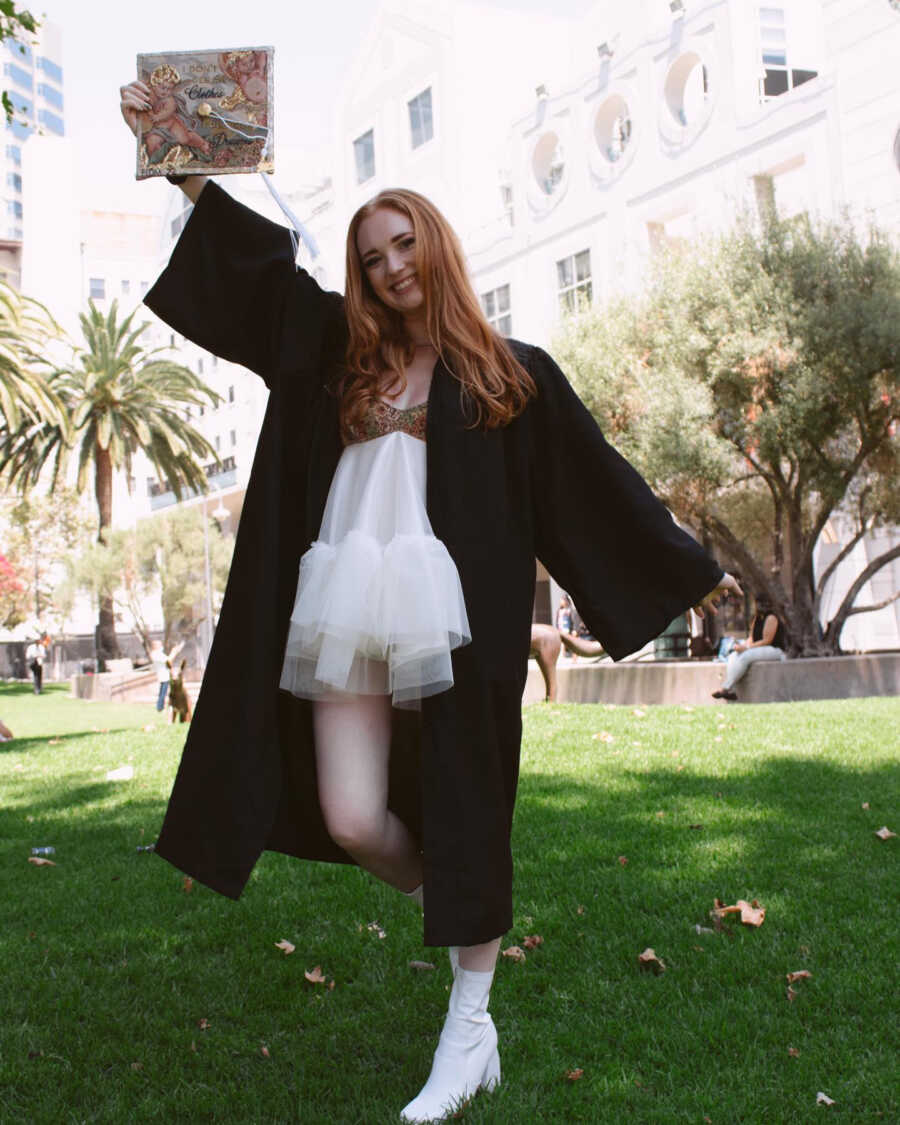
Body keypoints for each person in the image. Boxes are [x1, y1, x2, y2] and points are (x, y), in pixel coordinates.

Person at [120, 79, 740, 1123]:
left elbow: (592, 488)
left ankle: (469, 1026)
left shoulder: (508, 376)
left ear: (437, 248)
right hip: (338, 612)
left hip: (456, 623)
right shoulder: (334, 355)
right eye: (371, 256)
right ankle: (461, 914)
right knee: (355, 817)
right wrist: (188, 161)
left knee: (464, 797)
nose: (389, 267)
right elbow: (260, 285)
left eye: (403, 245)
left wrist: (674, 566)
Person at [712, 595, 787, 701]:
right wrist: (742, 646)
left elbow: (767, 640)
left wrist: (747, 647)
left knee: (747, 656)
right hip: (757, 648)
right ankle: (730, 690)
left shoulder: (771, 618)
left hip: (774, 650)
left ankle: (725, 688)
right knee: (733, 656)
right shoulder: (756, 619)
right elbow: (751, 638)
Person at [150, 638, 185, 712]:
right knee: (163, 693)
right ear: (155, 646)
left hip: (164, 675)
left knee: (162, 692)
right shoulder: (156, 654)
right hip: (164, 676)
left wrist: (174, 652)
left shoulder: (157, 654)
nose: (161, 645)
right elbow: (169, 661)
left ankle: (160, 707)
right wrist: (174, 652)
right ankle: (160, 707)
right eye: (159, 644)